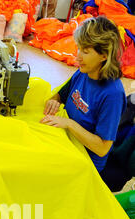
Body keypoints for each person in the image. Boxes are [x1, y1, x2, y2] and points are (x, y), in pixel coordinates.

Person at [40, 16, 127, 175]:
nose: (78, 56)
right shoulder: (84, 72)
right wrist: (54, 101)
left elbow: (102, 148)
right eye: (79, 48)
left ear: (104, 56)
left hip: (85, 162)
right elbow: (61, 95)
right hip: (68, 141)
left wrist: (69, 124)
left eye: (85, 51)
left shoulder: (112, 94)